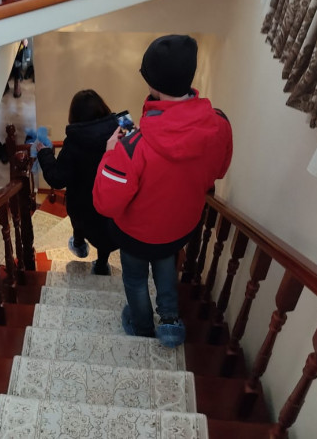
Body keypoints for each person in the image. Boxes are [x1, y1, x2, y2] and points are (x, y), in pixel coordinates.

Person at [92, 35, 232, 347]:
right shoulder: (219, 125)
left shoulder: (132, 147)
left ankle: (142, 326)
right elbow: (218, 170)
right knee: (166, 263)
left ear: (152, 83)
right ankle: (170, 322)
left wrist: (110, 153)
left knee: (135, 278)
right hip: (179, 228)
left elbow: (105, 204)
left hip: (136, 234)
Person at [35, 90, 118, 275]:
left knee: (79, 221)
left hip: (81, 203)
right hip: (111, 199)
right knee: (105, 229)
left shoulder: (74, 142)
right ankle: (101, 265)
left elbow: (57, 178)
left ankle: (79, 245)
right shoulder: (120, 128)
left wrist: (45, 153)